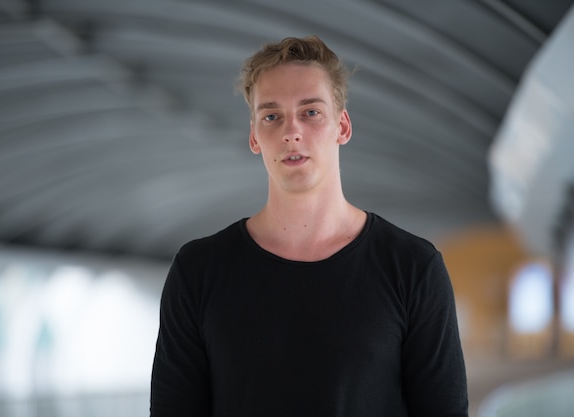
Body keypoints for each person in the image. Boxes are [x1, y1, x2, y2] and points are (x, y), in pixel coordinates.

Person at [150, 35, 468, 417]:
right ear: (254, 136)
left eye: (311, 112)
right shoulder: (198, 271)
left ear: (343, 126)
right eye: (271, 116)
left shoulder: (413, 267)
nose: (291, 131)